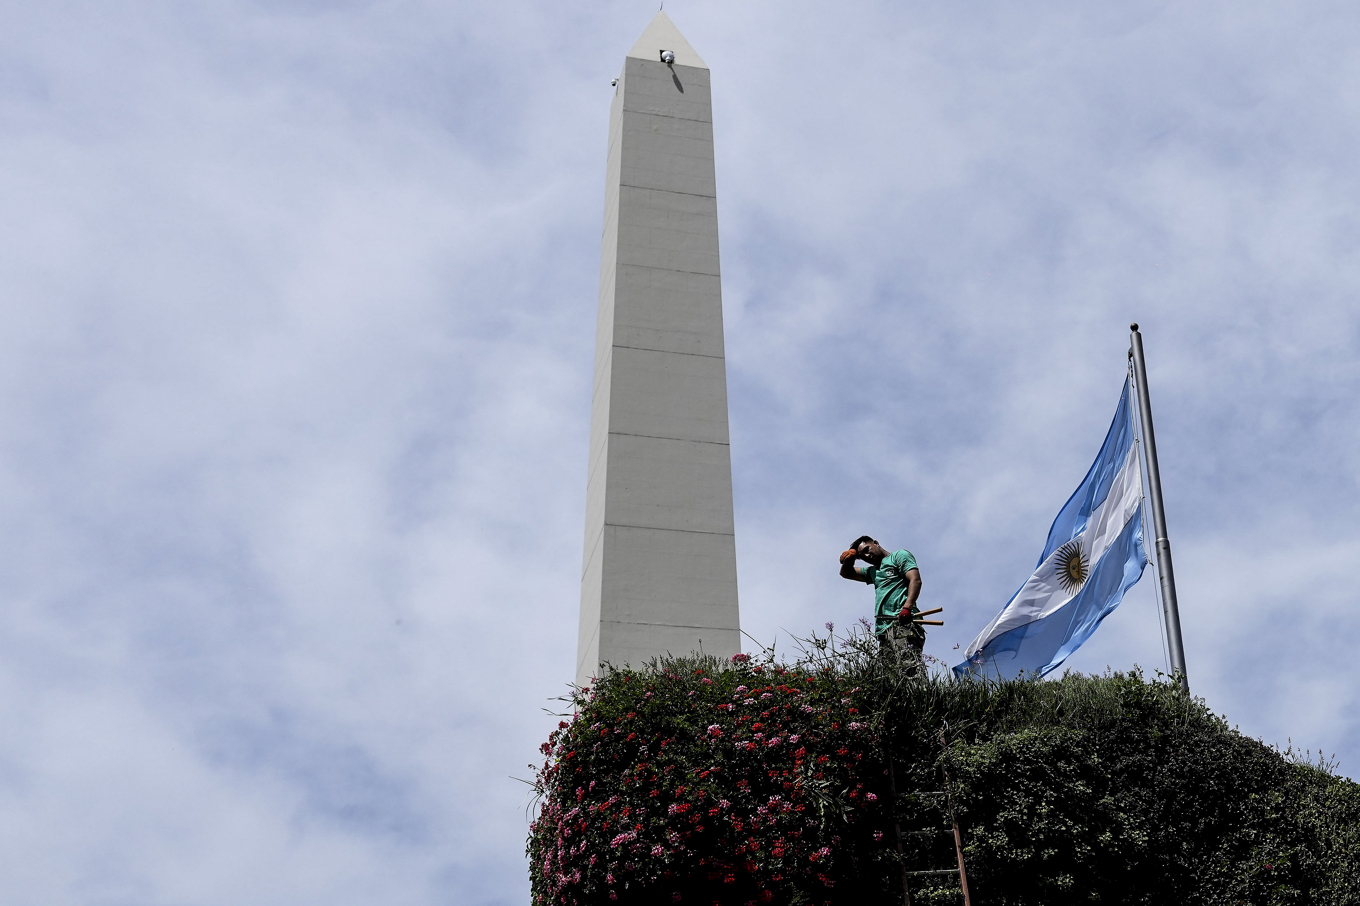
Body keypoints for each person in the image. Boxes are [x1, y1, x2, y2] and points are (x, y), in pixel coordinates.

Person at [839, 536, 924, 659]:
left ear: (876, 543)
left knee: (908, 666)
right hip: (883, 630)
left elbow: (915, 580)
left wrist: (907, 607)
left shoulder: (898, 556)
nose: (867, 556)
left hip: (903, 621)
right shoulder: (873, 572)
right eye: (862, 556)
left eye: (867, 549)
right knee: (889, 675)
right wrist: (849, 560)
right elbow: (846, 573)